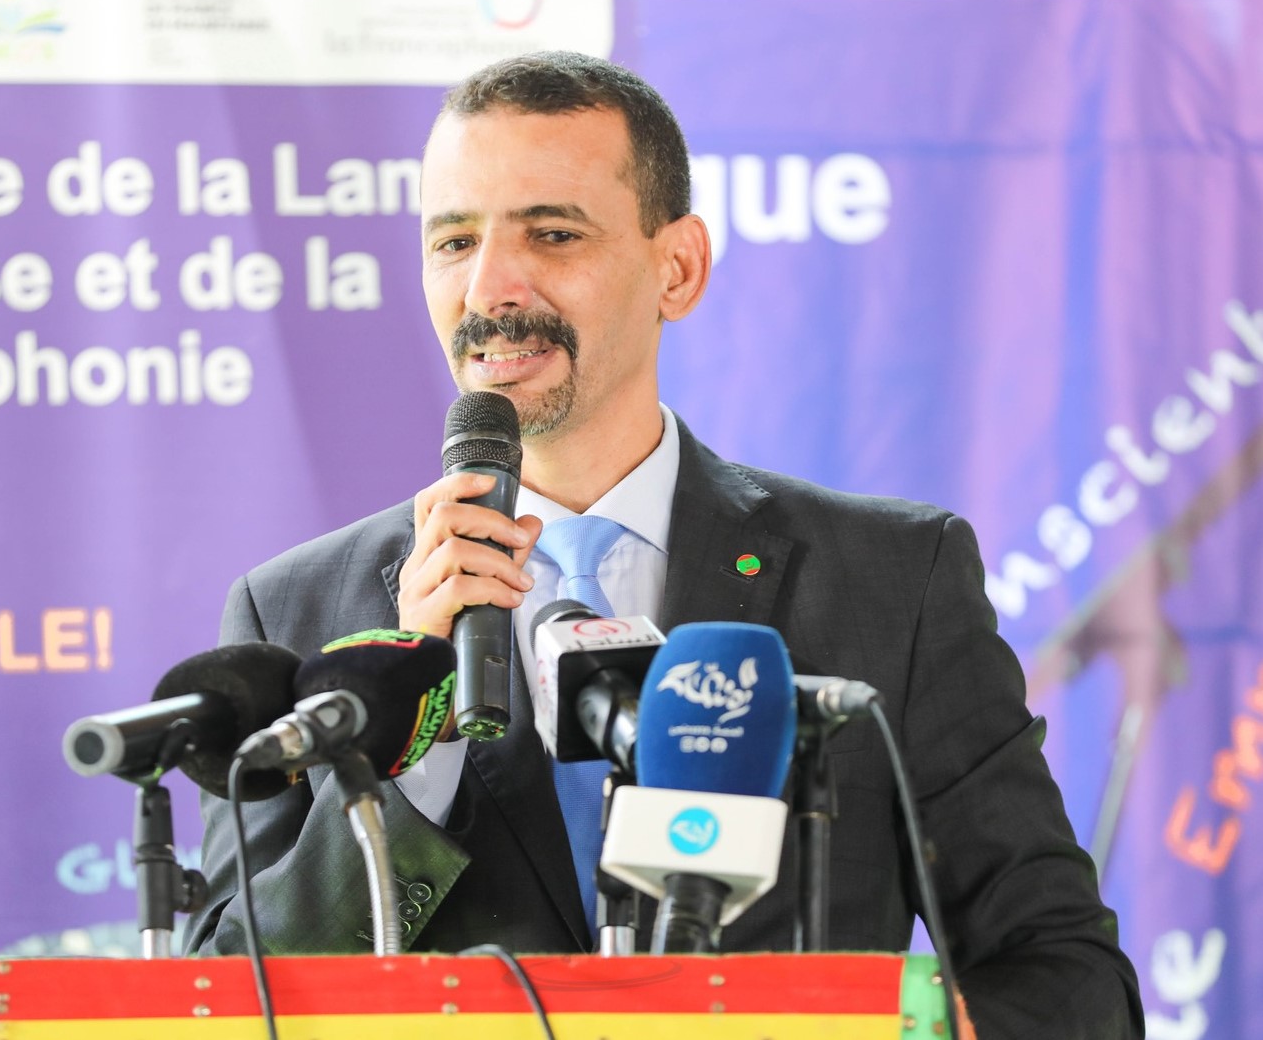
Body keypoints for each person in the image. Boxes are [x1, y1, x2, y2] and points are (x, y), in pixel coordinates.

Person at [184, 51, 1143, 1038]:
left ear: (676, 269)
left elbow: (1067, 981)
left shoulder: (894, 580)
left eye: (552, 233)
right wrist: (409, 728)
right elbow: (221, 1006)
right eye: (455, 240)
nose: (490, 286)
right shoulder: (293, 611)